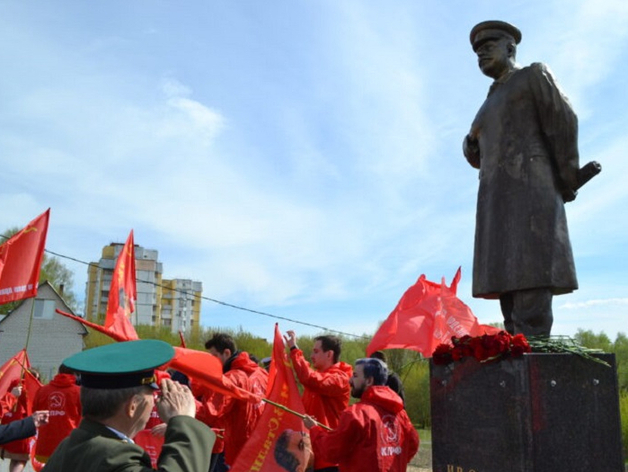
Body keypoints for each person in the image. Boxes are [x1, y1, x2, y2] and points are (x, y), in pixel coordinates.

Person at [463, 20, 584, 337]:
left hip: (531, 188)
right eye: (477, 53)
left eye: (488, 48)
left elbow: (564, 120)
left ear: (510, 47)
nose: (482, 56)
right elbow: (482, 154)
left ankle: (532, 347)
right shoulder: (487, 102)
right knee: (505, 274)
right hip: (495, 196)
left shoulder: (533, 75)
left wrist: (566, 177)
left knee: (531, 269)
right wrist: (470, 147)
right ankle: (516, 344)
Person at [41, 339, 215, 472]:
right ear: (133, 406)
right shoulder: (116, 457)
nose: (154, 401)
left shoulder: (69, 446)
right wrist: (183, 421)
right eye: (151, 395)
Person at [304, 358, 419, 472]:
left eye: (355, 375)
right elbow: (412, 444)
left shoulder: (356, 414)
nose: (350, 381)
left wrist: (314, 429)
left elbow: (330, 451)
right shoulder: (400, 414)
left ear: (369, 381)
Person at [198, 332, 268, 471]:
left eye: (215, 357)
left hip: (240, 452)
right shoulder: (262, 373)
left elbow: (210, 414)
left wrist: (185, 405)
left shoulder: (232, 379)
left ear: (226, 352)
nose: (213, 362)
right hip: (264, 448)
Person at [285, 331, 352, 472]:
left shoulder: (340, 379)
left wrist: (294, 350)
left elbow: (309, 378)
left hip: (328, 457)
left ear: (329, 354)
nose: (311, 356)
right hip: (311, 452)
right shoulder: (318, 377)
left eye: (316, 352)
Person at [32, 364, 82, 464]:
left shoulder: (42, 390)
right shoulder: (78, 392)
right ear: (75, 374)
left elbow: (35, 412)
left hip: (46, 444)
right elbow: (85, 417)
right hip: (70, 443)